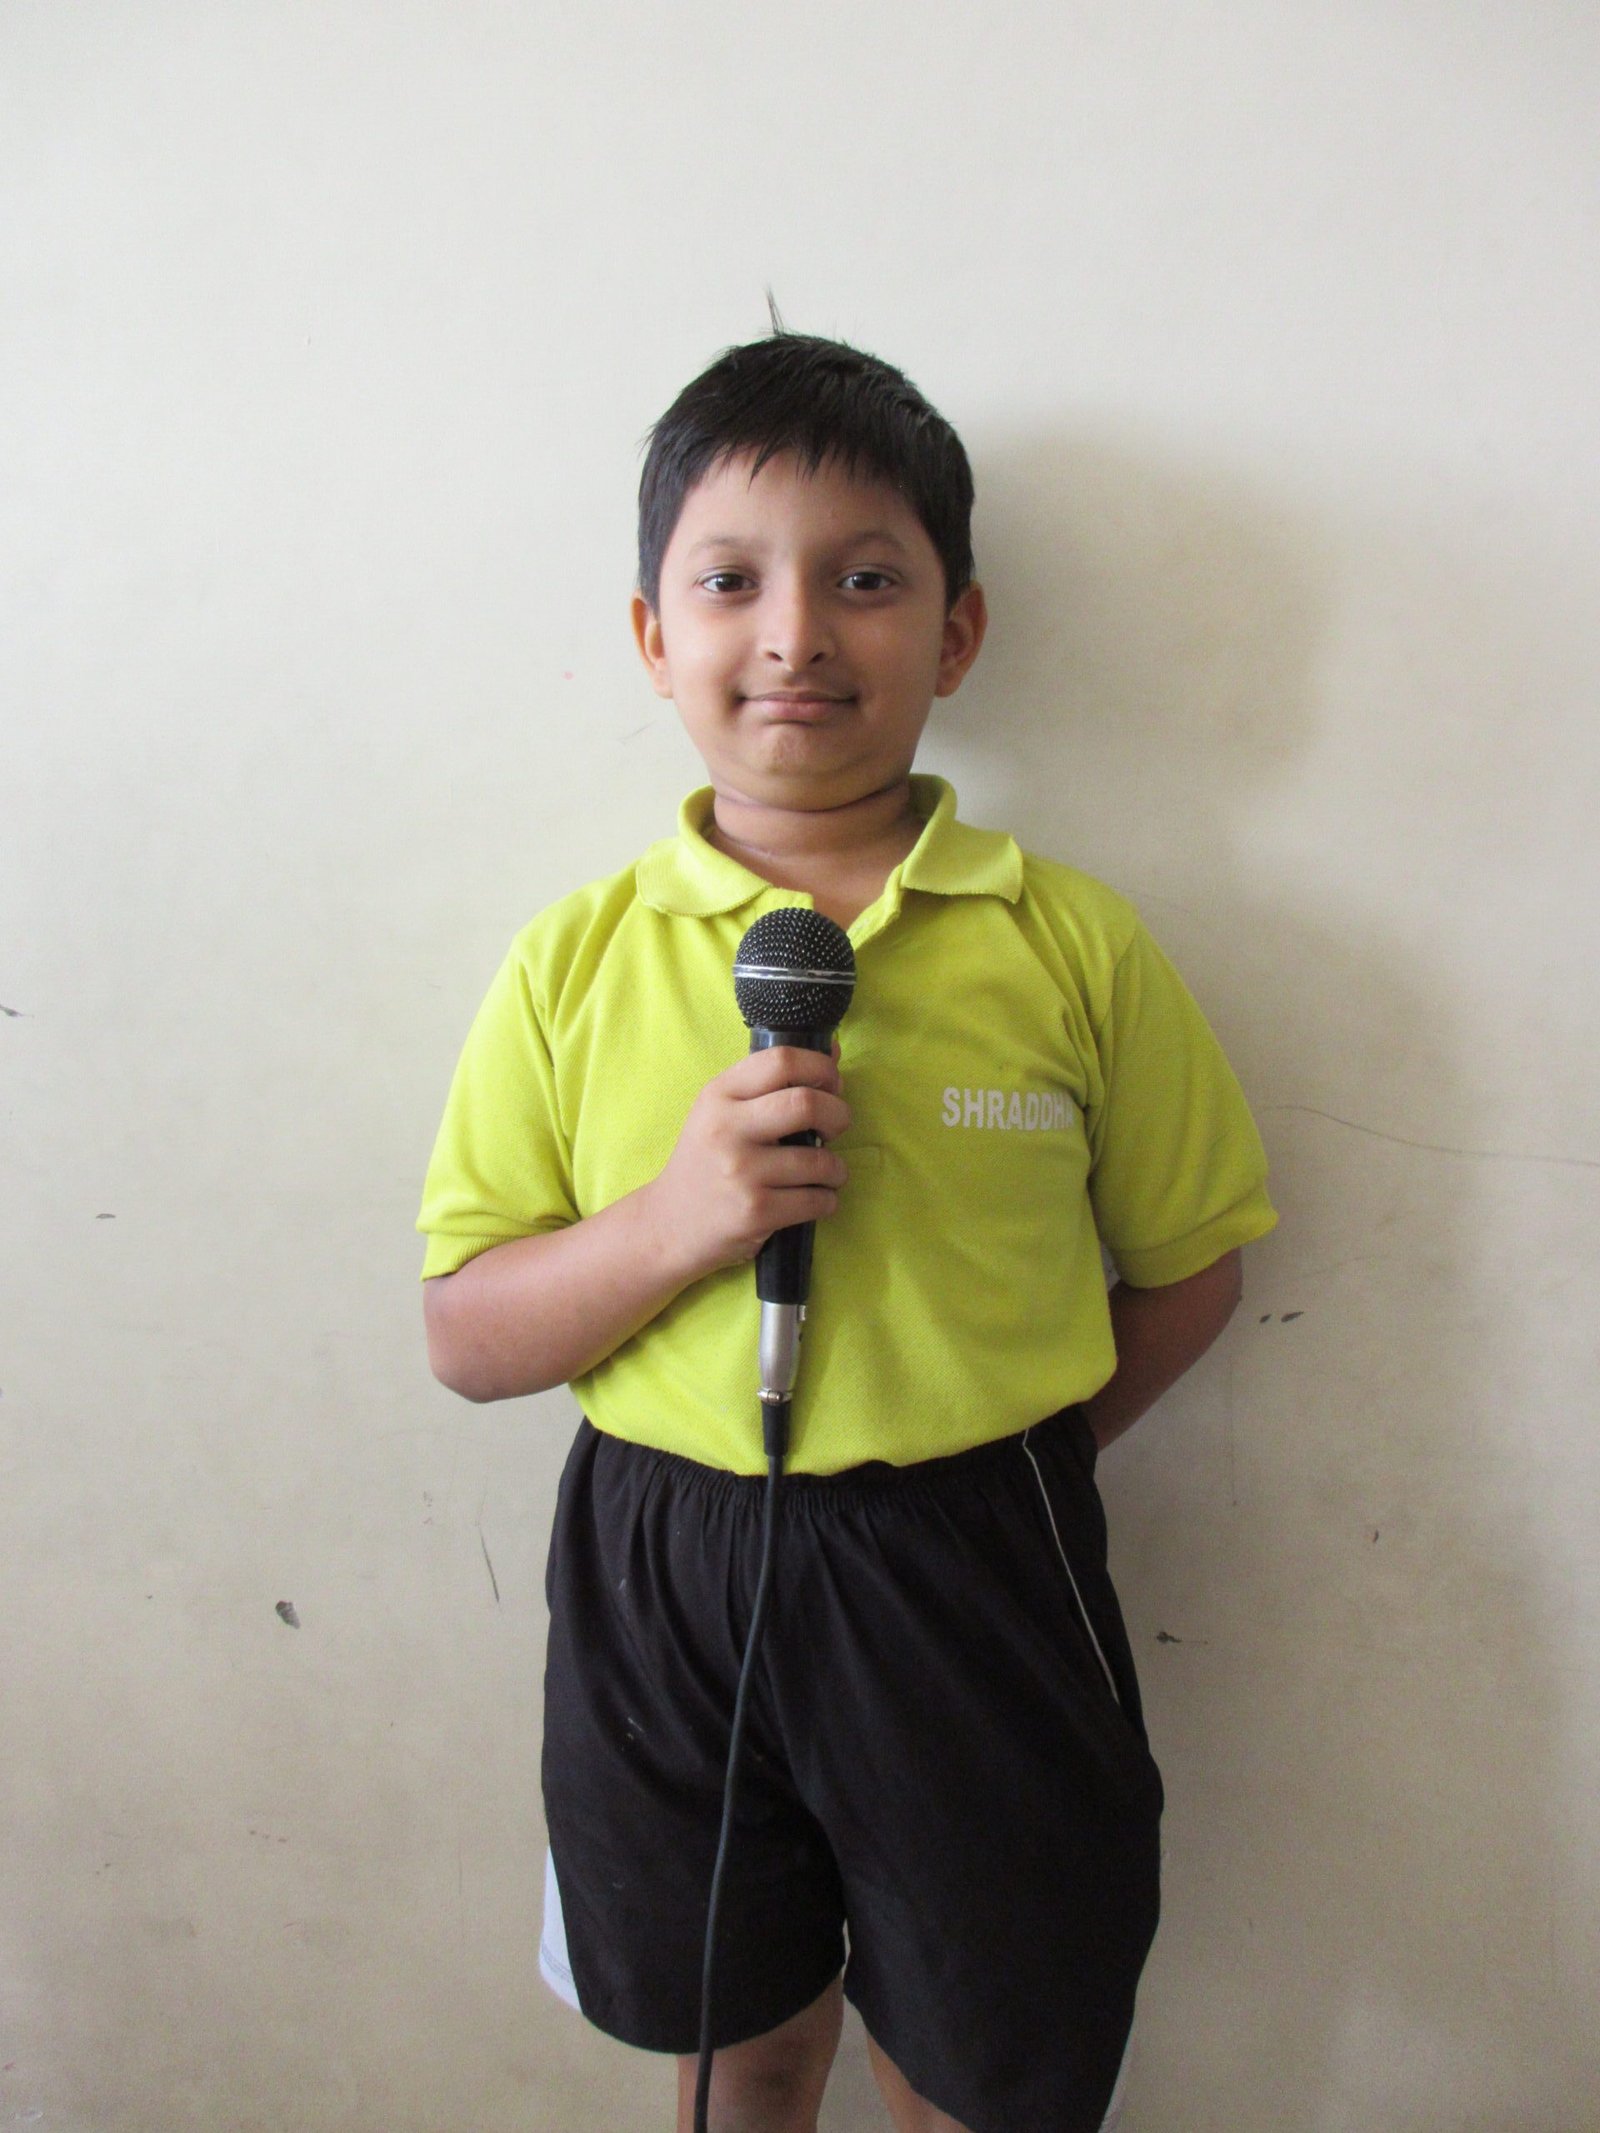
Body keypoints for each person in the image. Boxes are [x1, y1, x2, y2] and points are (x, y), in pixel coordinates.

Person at [417, 330, 1277, 2133]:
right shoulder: (575, 959)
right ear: (653, 637)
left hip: (975, 1557)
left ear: (957, 633)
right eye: (730, 581)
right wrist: (675, 1222)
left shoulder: (1067, 943)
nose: (796, 633)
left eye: (865, 580)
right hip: (664, 1567)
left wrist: (1020, 1447)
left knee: (982, 2052)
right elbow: (470, 1335)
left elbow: (1193, 1263)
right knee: (733, 2034)